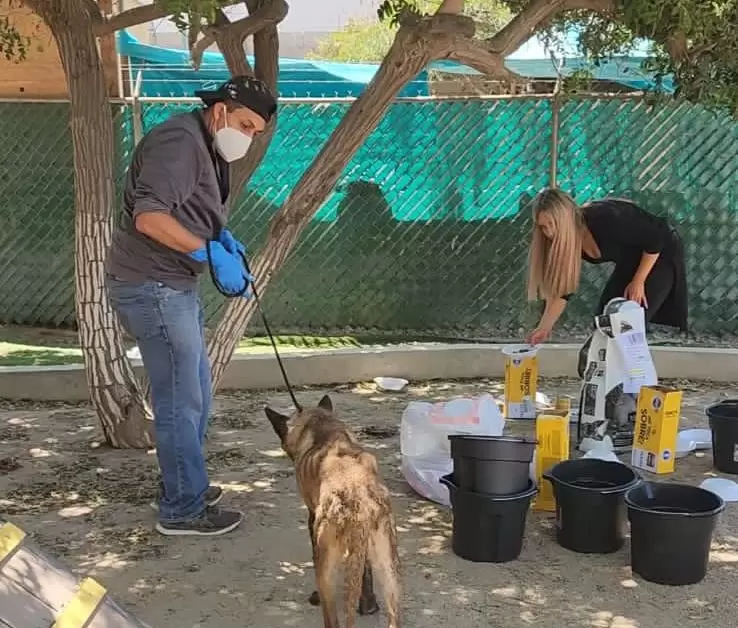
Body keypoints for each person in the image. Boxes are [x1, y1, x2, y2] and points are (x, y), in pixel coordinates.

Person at [105, 76, 277, 536]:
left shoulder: (207, 145)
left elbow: (191, 208)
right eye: (245, 124)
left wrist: (221, 237)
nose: (248, 137)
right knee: (181, 399)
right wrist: (206, 251)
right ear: (219, 110)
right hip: (151, 284)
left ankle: (184, 486)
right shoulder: (180, 142)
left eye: (256, 132)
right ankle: (182, 509)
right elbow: (150, 216)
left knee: (194, 388)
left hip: (171, 284)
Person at [525, 188, 688, 344]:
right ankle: (607, 369)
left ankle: (635, 369)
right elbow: (562, 291)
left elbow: (656, 237)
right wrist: (544, 328)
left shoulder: (606, 218)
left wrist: (638, 281)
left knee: (627, 321)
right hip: (631, 260)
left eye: (552, 224)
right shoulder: (562, 244)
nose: (549, 233)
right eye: (543, 227)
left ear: (566, 219)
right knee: (604, 323)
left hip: (660, 253)